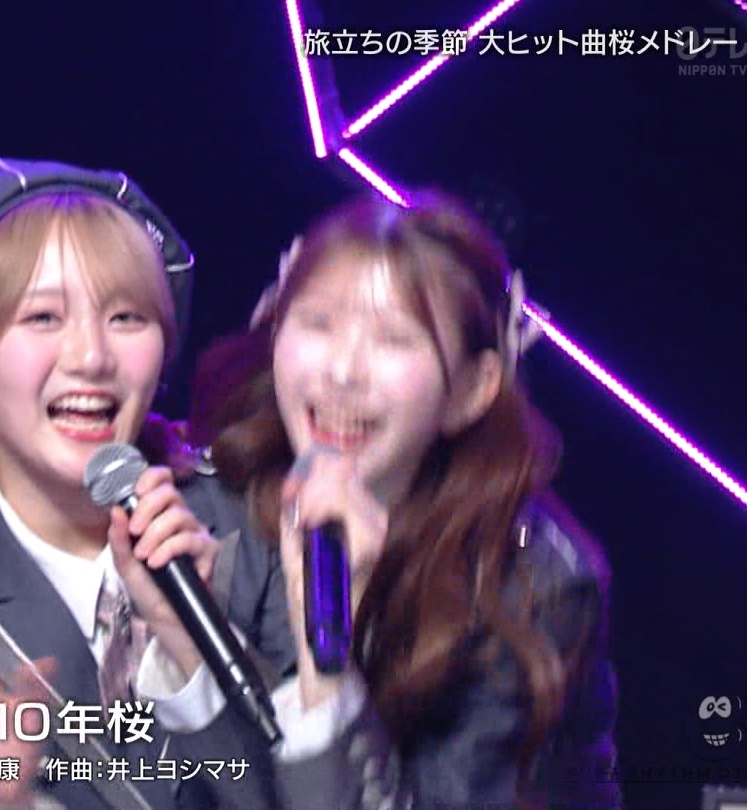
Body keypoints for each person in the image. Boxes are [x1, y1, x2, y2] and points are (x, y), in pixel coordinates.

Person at [0, 157, 296, 810]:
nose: (91, 357)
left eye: (127, 318)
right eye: (42, 317)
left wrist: (194, 654)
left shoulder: (252, 519)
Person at [183, 189, 622, 809]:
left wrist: (329, 663)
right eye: (318, 323)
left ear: (471, 389)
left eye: (393, 339)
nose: (343, 372)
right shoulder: (212, 504)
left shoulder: (537, 583)